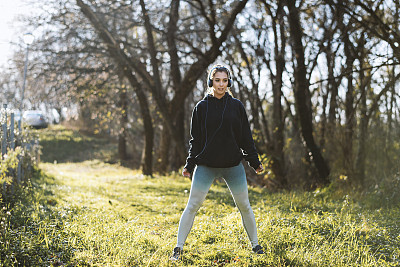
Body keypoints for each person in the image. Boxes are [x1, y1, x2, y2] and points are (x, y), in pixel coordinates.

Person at [170, 64, 265, 261]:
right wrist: (189, 165)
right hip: (206, 165)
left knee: (244, 205)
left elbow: (245, 138)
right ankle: (178, 248)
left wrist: (254, 162)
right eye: (217, 80)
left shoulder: (237, 107)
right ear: (210, 82)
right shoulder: (201, 108)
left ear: (228, 82)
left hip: (233, 166)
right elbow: (195, 141)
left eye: (224, 80)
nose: (221, 84)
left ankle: (256, 245)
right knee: (193, 205)